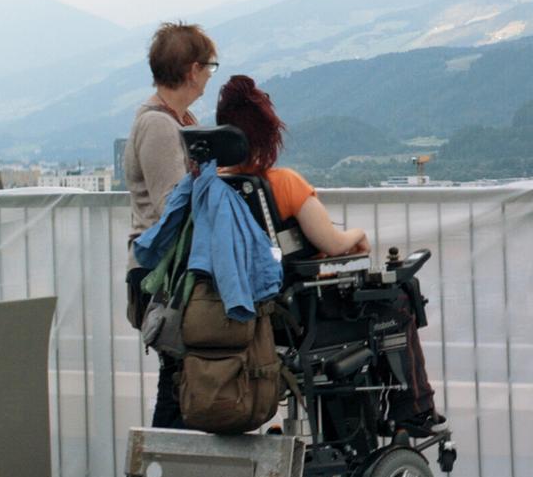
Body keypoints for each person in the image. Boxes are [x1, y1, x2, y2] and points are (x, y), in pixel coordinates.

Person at [215, 75, 447, 435]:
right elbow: (334, 244)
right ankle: (414, 409)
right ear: (265, 136)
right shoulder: (284, 183)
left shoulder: (214, 188)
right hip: (305, 314)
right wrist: (359, 236)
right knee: (399, 297)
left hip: (257, 316)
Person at [124, 21, 219, 429]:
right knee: (177, 379)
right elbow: (171, 205)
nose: (210, 77)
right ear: (193, 70)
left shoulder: (179, 118)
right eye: (210, 67)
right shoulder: (160, 126)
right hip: (163, 273)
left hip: (172, 270)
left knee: (181, 378)